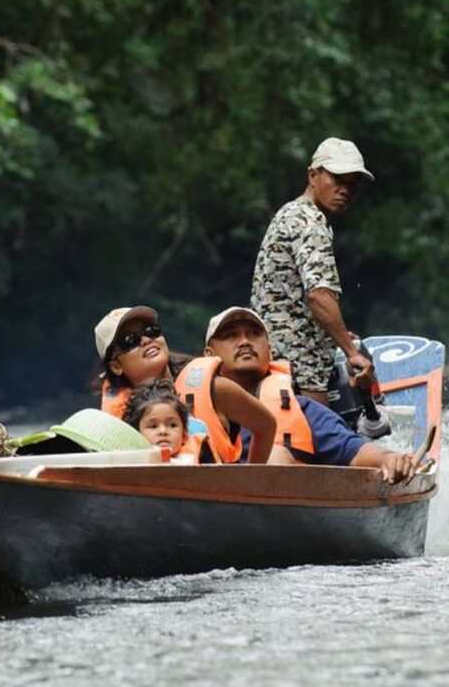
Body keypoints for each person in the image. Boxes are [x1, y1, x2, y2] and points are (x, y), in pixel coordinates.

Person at [204, 307, 416, 483]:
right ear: (209, 354)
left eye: (254, 334)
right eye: (231, 335)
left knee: (273, 455)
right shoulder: (181, 408)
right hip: (206, 505)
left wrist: (388, 458)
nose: (244, 342)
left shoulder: (301, 409)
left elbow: (354, 449)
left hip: (282, 514)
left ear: (270, 351)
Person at [250, 137, 375, 407]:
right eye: (338, 179)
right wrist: (352, 352)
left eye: (353, 184)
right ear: (313, 175)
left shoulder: (290, 213)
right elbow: (319, 296)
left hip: (273, 355)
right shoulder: (310, 223)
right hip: (299, 366)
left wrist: (339, 335)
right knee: (316, 442)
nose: (345, 190)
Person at [93, 306, 276, 463]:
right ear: (116, 366)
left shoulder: (214, 388)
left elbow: (266, 425)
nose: (146, 340)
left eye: (151, 331)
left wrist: (250, 478)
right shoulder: (114, 416)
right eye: (130, 340)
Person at [122, 383, 203, 463]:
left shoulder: (200, 457)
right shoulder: (129, 463)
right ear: (137, 434)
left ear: (184, 434)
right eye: (153, 426)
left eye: (172, 425)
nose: (163, 431)